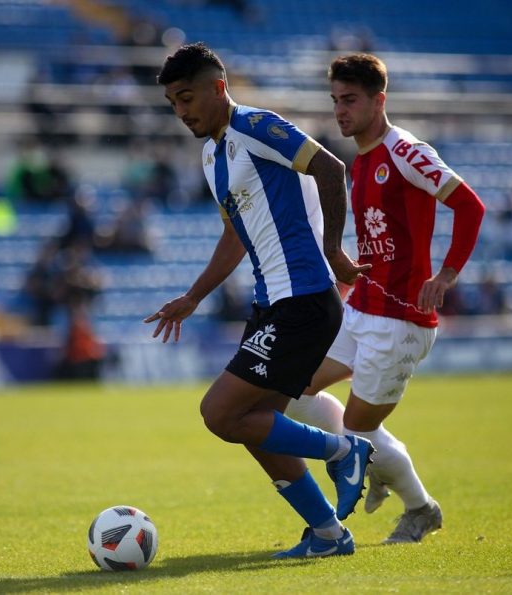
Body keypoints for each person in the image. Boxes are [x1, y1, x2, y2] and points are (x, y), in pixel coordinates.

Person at [144, 43, 373, 559]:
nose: (181, 112)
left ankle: (345, 449)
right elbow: (235, 234)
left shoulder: (256, 126)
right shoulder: (212, 153)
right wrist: (194, 296)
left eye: (187, 98)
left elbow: (330, 167)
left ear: (218, 88)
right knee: (257, 428)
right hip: (272, 303)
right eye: (172, 103)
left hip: (305, 299)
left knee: (218, 413)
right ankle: (329, 534)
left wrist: (334, 248)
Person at [285, 53, 486, 544]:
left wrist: (448, 273)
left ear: (380, 100)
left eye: (350, 100)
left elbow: (469, 205)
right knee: (292, 389)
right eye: (334, 100)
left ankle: (419, 509)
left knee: (358, 433)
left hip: (401, 320)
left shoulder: (406, 151)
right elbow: (383, 239)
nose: (340, 111)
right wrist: (352, 276)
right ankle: (377, 469)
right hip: (363, 308)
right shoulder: (361, 160)